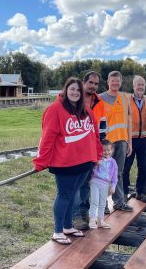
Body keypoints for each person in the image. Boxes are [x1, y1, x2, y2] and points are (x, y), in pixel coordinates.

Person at [33, 78, 103, 245]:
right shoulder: (55, 109)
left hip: (86, 161)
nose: (75, 93)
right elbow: (47, 137)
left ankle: (67, 226)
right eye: (72, 89)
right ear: (65, 90)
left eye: (78, 90)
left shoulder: (85, 110)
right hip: (65, 163)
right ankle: (57, 231)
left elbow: (94, 135)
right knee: (64, 195)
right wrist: (41, 161)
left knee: (73, 194)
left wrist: (98, 154)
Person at [72, 71, 105, 230]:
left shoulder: (99, 103)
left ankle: (84, 212)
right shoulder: (73, 99)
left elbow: (102, 129)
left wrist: (101, 151)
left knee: (86, 183)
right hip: (75, 148)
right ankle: (75, 216)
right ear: (83, 82)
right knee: (76, 183)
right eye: (90, 82)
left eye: (96, 83)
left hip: (91, 150)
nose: (93, 86)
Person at [99, 71, 134, 212]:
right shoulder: (100, 98)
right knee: (102, 172)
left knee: (118, 173)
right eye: (113, 81)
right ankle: (103, 205)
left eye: (118, 81)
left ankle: (119, 202)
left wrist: (129, 142)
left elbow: (129, 122)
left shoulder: (125, 99)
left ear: (121, 82)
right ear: (108, 81)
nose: (115, 83)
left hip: (122, 141)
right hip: (106, 143)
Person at [123, 75, 146, 203]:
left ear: (145, 86)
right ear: (133, 86)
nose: (140, 87)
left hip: (144, 139)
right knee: (125, 167)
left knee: (144, 167)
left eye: (142, 84)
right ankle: (123, 193)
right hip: (130, 139)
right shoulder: (126, 100)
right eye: (138, 84)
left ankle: (142, 192)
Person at [88, 140, 118, 229]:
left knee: (102, 203)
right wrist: (96, 164)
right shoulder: (98, 160)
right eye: (104, 150)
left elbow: (115, 176)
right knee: (94, 201)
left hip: (105, 185)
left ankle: (101, 220)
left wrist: (113, 186)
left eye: (109, 150)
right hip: (95, 182)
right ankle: (92, 220)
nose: (106, 152)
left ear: (112, 150)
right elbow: (91, 169)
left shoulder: (113, 162)